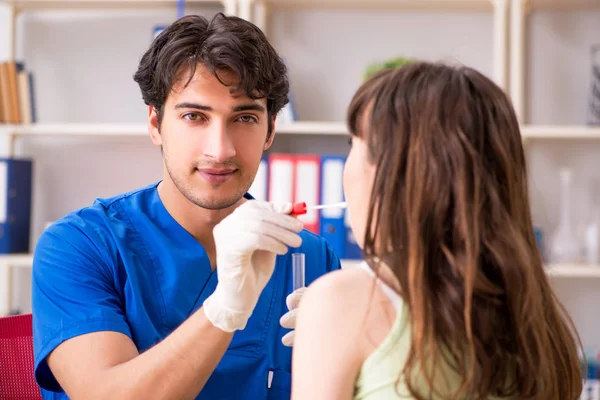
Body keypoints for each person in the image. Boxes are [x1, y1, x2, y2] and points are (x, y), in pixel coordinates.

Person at [31, 13, 341, 400]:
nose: (221, 150)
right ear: (156, 124)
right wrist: (226, 305)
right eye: (195, 116)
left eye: (244, 117)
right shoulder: (79, 246)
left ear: (270, 130)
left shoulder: (311, 258)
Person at [291, 62, 583, 400]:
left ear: (397, 172)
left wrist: (325, 326)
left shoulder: (343, 299)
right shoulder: (540, 321)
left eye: (353, 143)